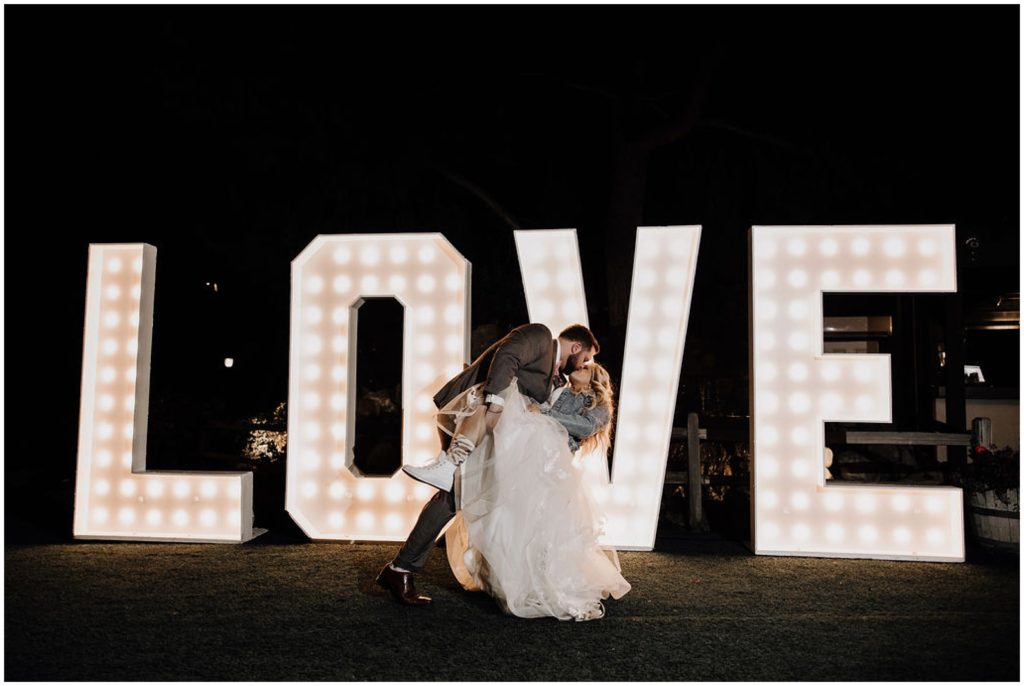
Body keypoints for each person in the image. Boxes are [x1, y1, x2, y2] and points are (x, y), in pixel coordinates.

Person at [375, 323, 599, 605]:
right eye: (586, 357)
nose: (585, 363)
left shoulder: (553, 376)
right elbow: (507, 356)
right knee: (454, 495)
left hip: (489, 430)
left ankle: (402, 569)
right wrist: (495, 400)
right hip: (470, 414)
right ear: (576, 347)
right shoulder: (540, 336)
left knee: (454, 497)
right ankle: (402, 567)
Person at [444, 361, 629, 621]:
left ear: (594, 379)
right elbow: (532, 409)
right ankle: (508, 578)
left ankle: (546, 584)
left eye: (586, 367)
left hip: (555, 467)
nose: (579, 366)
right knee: (517, 520)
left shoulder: (598, 407)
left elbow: (584, 426)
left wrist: (544, 415)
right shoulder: (558, 390)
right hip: (532, 459)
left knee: (547, 528)